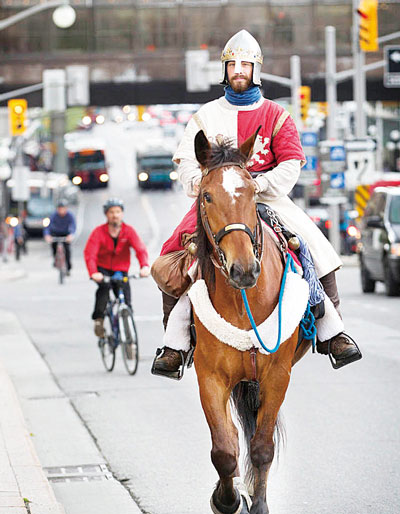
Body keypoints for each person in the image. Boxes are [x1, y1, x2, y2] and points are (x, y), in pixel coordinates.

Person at [152, 29, 361, 377]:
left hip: (269, 199)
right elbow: (188, 160)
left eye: (245, 64)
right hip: (217, 202)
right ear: (225, 69)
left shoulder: (276, 115)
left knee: (313, 248)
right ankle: (175, 344)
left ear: (256, 70)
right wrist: (201, 182)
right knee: (177, 259)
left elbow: (292, 163)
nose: (238, 70)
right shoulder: (205, 116)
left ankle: (332, 333)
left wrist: (257, 184)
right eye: (232, 64)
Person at [83, 198, 150, 337]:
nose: (115, 215)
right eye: (111, 212)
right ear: (106, 215)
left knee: (126, 297)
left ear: (122, 214)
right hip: (103, 269)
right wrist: (94, 272)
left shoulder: (129, 231)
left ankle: (129, 333)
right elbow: (90, 254)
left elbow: (140, 249)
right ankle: (99, 320)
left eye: (118, 212)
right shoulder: (98, 232)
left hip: (121, 269)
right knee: (104, 288)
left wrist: (144, 266)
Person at [44, 199, 76, 274]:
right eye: (60, 209)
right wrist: (47, 235)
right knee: (53, 246)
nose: (61, 211)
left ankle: (68, 266)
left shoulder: (70, 215)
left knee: (67, 249)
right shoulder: (53, 216)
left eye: (63, 209)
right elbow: (47, 227)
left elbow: (73, 226)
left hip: (65, 234)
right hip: (55, 233)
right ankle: (55, 260)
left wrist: (71, 235)